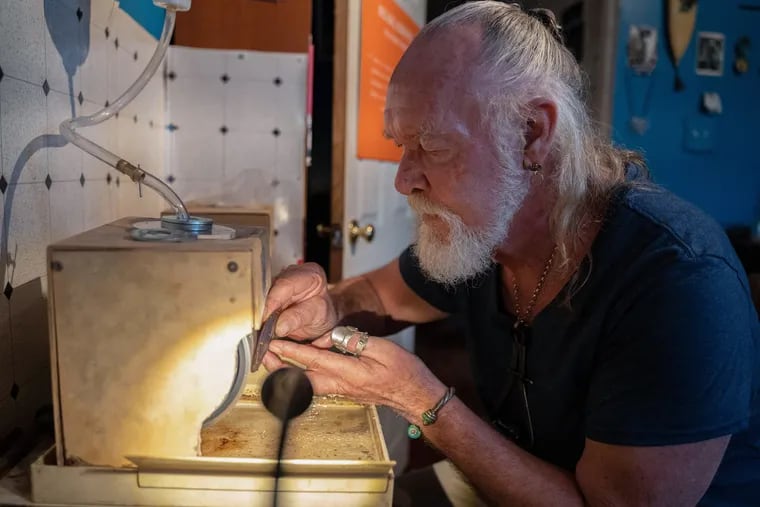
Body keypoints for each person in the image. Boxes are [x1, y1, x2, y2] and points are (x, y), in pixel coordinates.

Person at [262, 2, 760, 505]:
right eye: (401, 146)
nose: (404, 180)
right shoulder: (485, 232)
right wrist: (329, 303)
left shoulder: (678, 281)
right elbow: (377, 294)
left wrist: (418, 400)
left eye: (433, 146)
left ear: (531, 132)